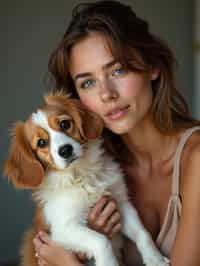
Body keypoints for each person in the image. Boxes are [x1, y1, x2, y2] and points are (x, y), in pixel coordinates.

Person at [33, 0, 200, 265]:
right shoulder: (90, 171)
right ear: (77, 99)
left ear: (152, 66)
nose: (106, 94)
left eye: (118, 70)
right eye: (88, 82)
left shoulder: (197, 158)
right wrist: (92, 242)